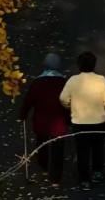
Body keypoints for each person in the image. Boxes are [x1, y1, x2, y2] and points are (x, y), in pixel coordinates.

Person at [60, 52, 105, 191]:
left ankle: (84, 180)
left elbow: (63, 98)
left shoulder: (73, 81)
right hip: (99, 122)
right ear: (94, 64)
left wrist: (70, 107)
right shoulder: (101, 80)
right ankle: (97, 172)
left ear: (79, 65)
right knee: (98, 148)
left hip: (79, 122)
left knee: (82, 151)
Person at [19, 53, 70, 185]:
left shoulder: (37, 83)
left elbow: (28, 101)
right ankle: (56, 178)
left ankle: (44, 167)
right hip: (60, 123)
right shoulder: (64, 83)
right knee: (58, 149)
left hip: (41, 122)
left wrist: (23, 114)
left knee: (42, 144)